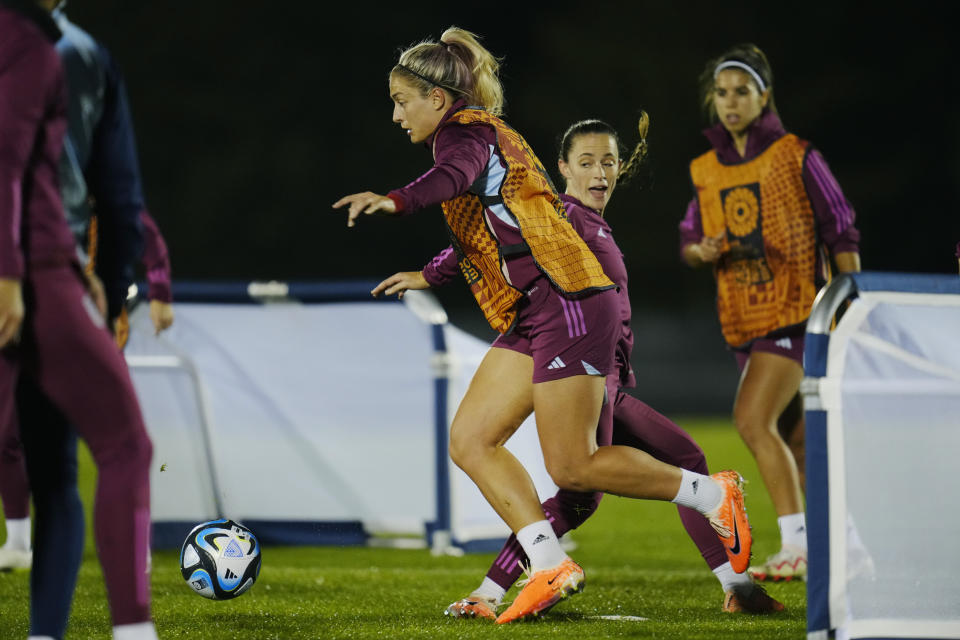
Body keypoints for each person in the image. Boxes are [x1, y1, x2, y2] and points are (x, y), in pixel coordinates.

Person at [334, 27, 753, 624]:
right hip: (539, 308)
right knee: (471, 440)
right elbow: (491, 232)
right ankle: (547, 562)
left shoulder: (467, 133)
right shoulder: (479, 139)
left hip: (568, 303)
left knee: (575, 469)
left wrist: (397, 200)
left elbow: (451, 180)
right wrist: (430, 273)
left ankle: (713, 495)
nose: (396, 113)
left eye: (403, 100)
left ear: (437, 96)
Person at [0, 1, 158, 639]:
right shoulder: (65, 52)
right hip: (37, 274)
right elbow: (117, 192)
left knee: (49, 468)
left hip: (43, 267)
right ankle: (133, 631)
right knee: (118, 447)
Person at [679, 43, 861, 582]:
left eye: (742, 91)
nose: (731, 102)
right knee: (798, 444)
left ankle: (798, 547)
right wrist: (701, 251)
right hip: (743, 317)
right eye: (722, 92)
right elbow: (688, 239)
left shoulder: (797, 154)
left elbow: (841, 226)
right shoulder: (706, 168)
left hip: (796, 312)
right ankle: (849, 545)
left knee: (751, 420)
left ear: (764, 96)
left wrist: (848, 304)